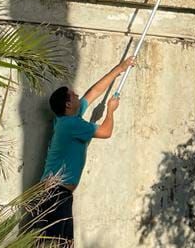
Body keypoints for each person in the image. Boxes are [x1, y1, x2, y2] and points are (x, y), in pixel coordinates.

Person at [35, 57, 135, 245]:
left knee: (57, 242)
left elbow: (94, 91)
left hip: (55, 193)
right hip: (54, 194)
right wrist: (111, 111)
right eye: (73, 95)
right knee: (58, 243)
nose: (77, 95)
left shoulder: (66, 118)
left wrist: (120, 68)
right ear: (67, 104)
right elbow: (106, 132)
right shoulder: (71, 124)